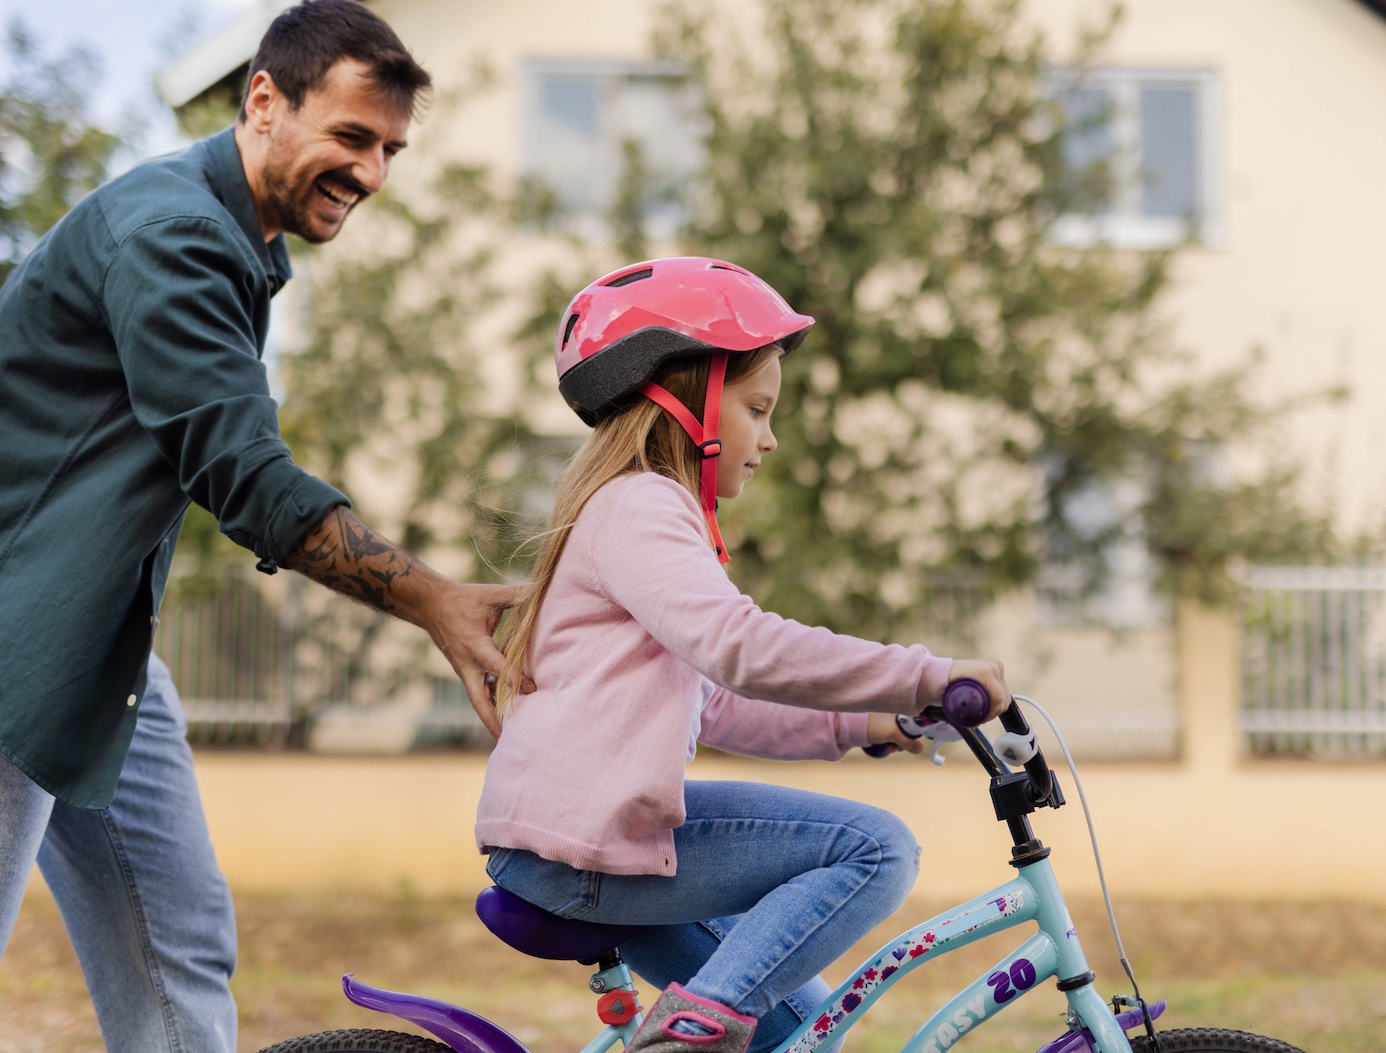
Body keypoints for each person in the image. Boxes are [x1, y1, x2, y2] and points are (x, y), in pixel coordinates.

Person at [0, 2, 517, 1050]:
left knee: (176, 936)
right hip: (18, 637)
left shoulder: (227, 237)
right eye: (352, 136)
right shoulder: (177, 236)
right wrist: (436, 601)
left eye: (390, 150)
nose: (371, 172)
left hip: (100, 642)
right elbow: (242, 474)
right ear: (266, 101)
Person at [475, 256, 1011, 1053]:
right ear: (684, 398)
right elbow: (739, 647)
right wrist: (927, 673)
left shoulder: (637, 513)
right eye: (757, 408)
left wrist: (872, 723)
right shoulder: (641, 503)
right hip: (583, 852)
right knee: (876, 847)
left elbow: (716, 702)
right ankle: (688, 1036)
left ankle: (700, 1027)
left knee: (799, 1033)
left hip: (587, 850)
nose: (770, 436)